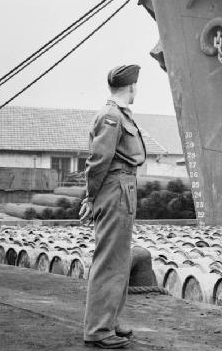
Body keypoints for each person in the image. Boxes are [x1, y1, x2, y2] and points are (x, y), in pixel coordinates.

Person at [80, 65, 147, 349]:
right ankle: (97, 329)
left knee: (120, 261)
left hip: (123, 189)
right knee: (109, 261)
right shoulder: (110, 117)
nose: (136, 90)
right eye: (136, 86)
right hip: (113, 190)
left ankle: (111, 320)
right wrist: (90, 197)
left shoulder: (118, 115)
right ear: (131, 87)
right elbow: (98, 162)